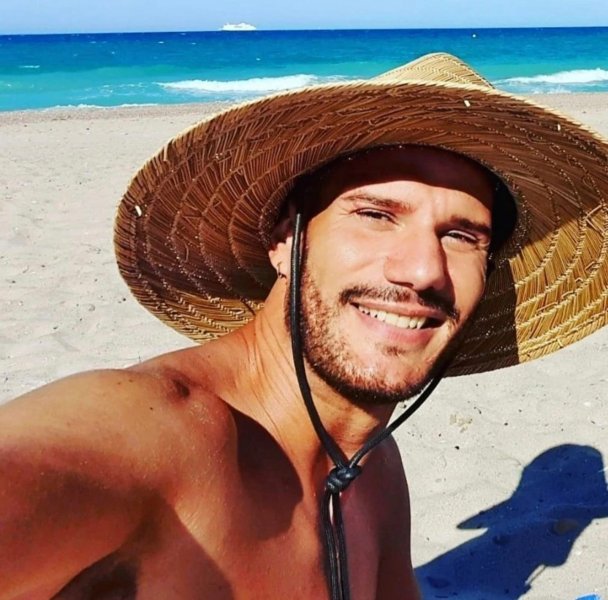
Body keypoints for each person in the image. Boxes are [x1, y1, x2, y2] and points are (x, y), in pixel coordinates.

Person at [1, 52, 607, 600]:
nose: (423, 270)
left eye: (460, 236)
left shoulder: (374, 469)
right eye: (375, 215)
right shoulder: (156, 433)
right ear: (285, 241)